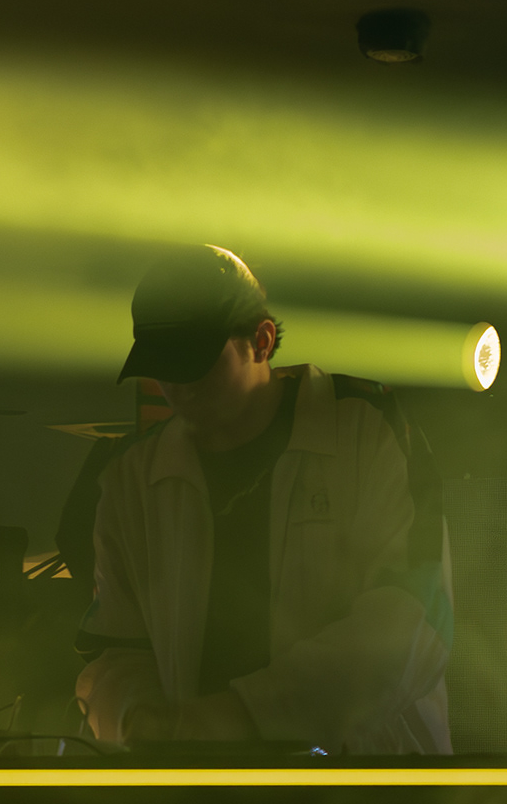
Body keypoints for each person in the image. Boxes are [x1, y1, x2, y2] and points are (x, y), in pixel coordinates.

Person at [75, 244, 453, 753]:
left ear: (262, 340)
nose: (180, 387)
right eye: (164, 366)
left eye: (195, 364)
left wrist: (241, 717)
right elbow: (114, 646)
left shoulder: (365, 430)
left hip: (364, 782)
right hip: (198, 787)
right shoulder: (131, 477)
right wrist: (135, 718)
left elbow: (412, 622)